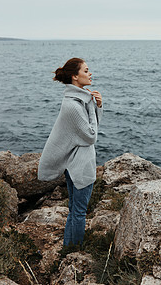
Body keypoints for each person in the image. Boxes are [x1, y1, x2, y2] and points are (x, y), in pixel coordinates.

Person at [37, 57, 103, 246]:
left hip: (75, 164)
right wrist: (93, 107)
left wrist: (97, 106)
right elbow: (91, 136)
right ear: (75, 76)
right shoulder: (73, 105)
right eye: (86, 70)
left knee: (75, 210)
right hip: (79, 166)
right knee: (79, 212)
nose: (90, 73)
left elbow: (89, 129)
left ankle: (68, 247)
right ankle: (75, 249)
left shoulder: (78, 99)